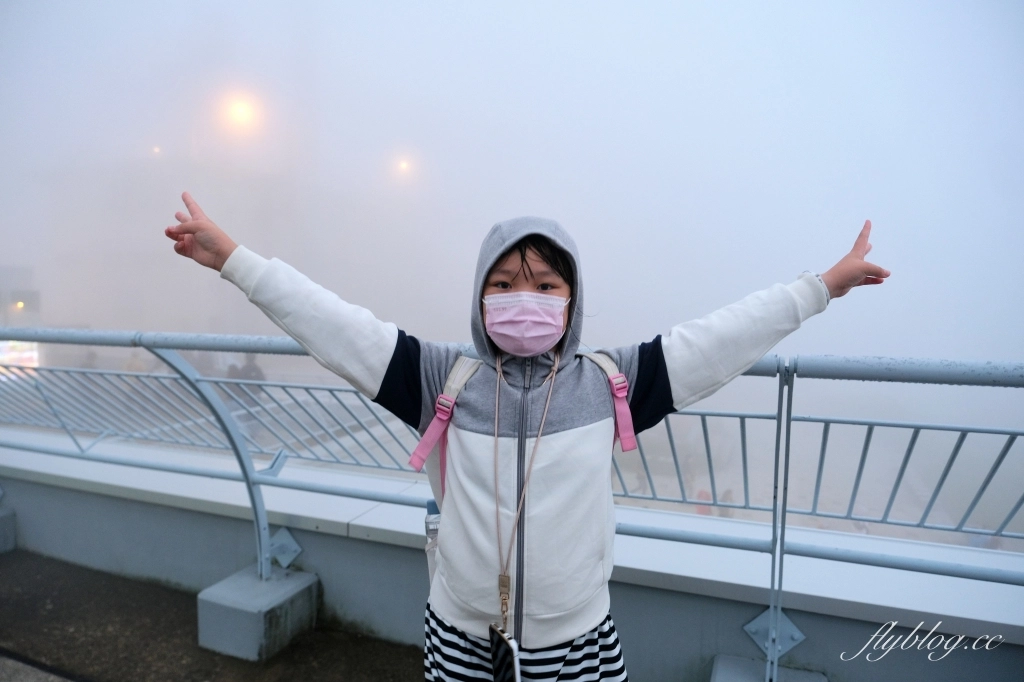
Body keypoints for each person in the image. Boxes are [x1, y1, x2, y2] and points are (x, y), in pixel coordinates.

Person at [165, 192, 888, 681]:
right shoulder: (440, 379)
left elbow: (719, 341)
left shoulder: (610, 383)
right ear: (481, 297)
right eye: (506, 283)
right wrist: (235, 260)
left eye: (547, 286)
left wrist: (817, 287)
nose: (526, 299)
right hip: (459, 634)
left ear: (573, 302)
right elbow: (332, 324)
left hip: (576, 640)